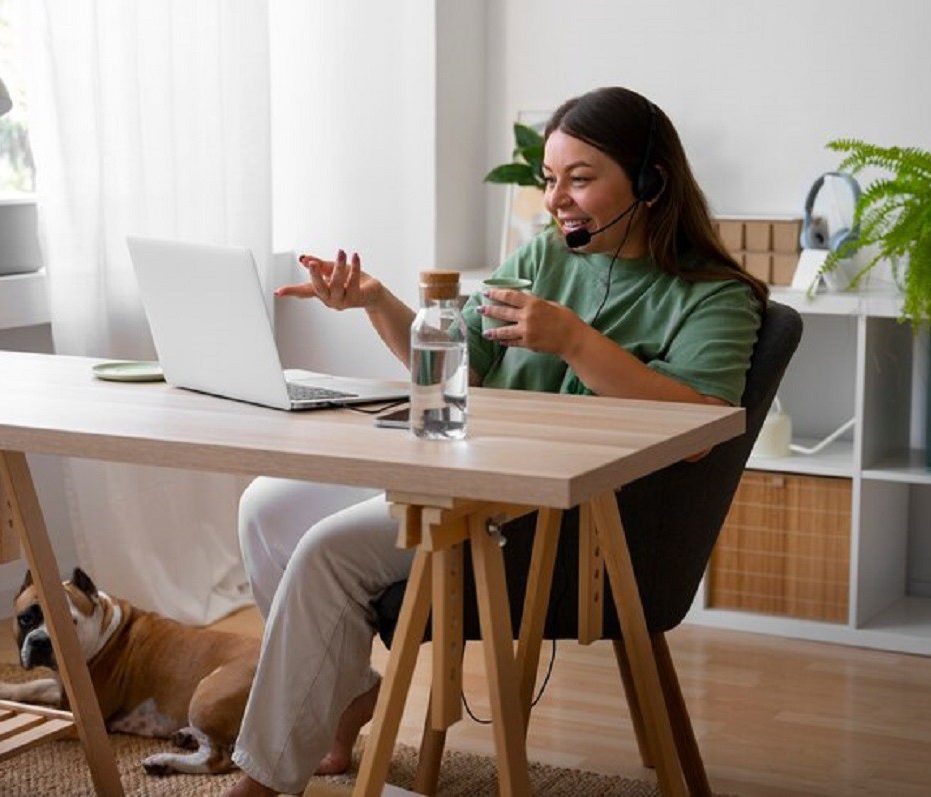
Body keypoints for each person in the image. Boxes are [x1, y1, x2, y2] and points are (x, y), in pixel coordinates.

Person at [223, 86, 769, 797]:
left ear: (650, 183)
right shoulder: (547, 257)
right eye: (550, 179)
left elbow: (700, 428)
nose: (556, 200)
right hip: (472, 476)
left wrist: (573, 340)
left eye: (580, 179)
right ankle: (348, 694)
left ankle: (262, 780)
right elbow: (459, 360)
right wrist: (377, 302)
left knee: (328, 552)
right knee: (267, 505)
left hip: (565, 523)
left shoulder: (715, 296)